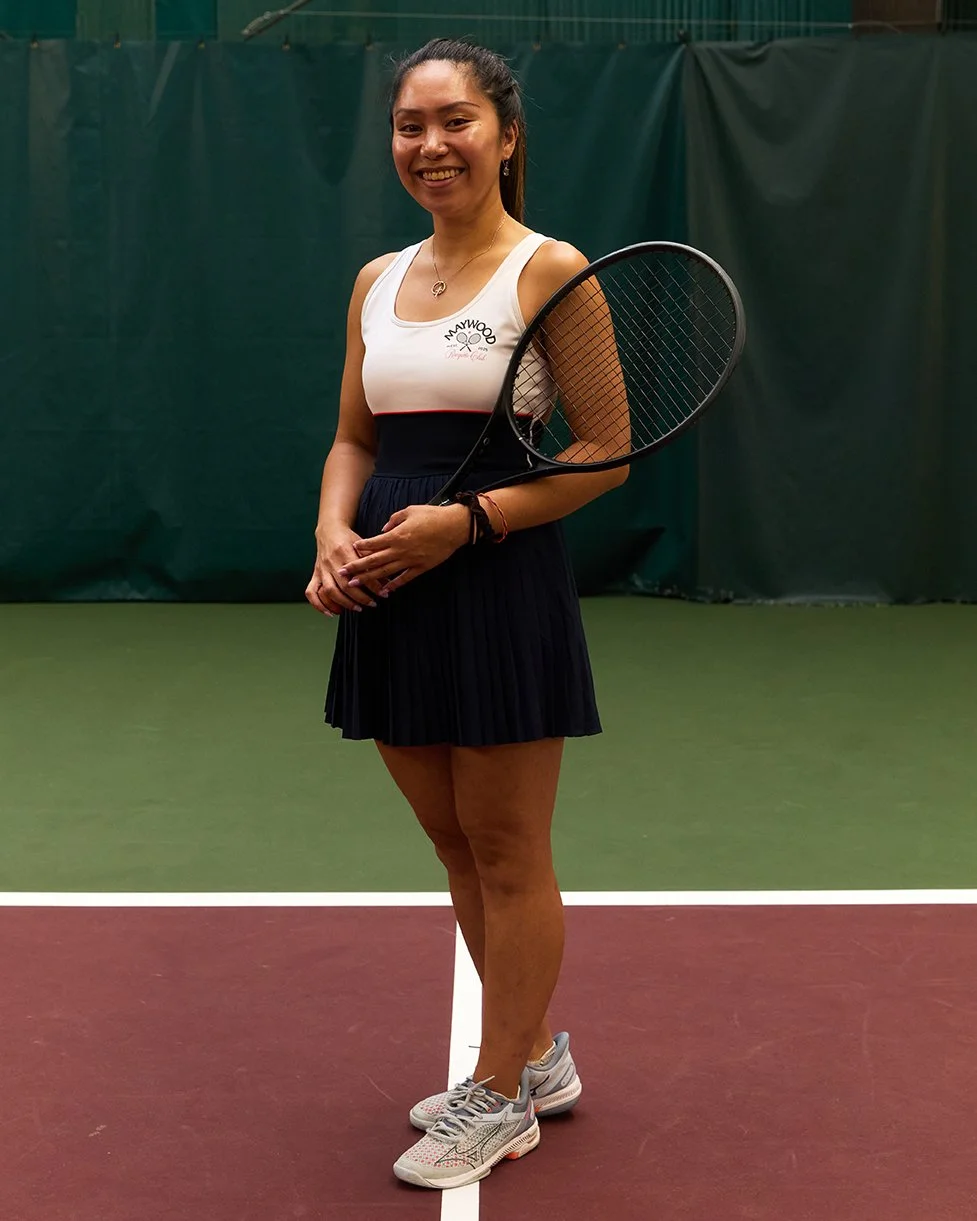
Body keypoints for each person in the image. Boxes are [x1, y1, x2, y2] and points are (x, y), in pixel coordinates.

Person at [304, 38, 627, 1190]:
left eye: (453, 122)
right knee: (449, 840)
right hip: (390, 580)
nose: (428, 145)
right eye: (407, 125)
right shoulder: (374, 279)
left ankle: (500, 1096)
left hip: (494, 575)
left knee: (505, 846)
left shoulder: (549, 269)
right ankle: (534, 1056)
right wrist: (333, 534)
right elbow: (356, 437)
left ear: (504, 134)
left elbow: (603, 456)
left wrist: (473, 523)